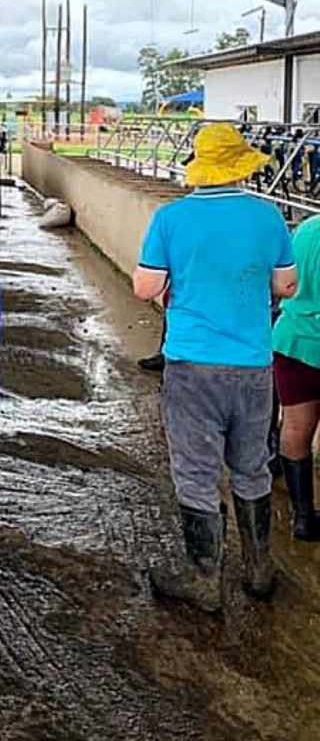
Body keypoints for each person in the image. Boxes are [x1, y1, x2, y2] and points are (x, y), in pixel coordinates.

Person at [133, 121, 297, 613]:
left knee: (196, 469)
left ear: (199, 169)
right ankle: (259, 569)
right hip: (252, 365)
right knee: (251, 465)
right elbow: (286, 286)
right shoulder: (268, 218)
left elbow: (144, 286)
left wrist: (173, 293)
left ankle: (204, 578)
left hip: (192, 365)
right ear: (240, 166)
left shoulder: (171, 218)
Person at [272, 214, 320, 541]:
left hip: (294, 341)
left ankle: (303, 517)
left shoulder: (306, 229)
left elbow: (283, 284)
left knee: (295, 425)